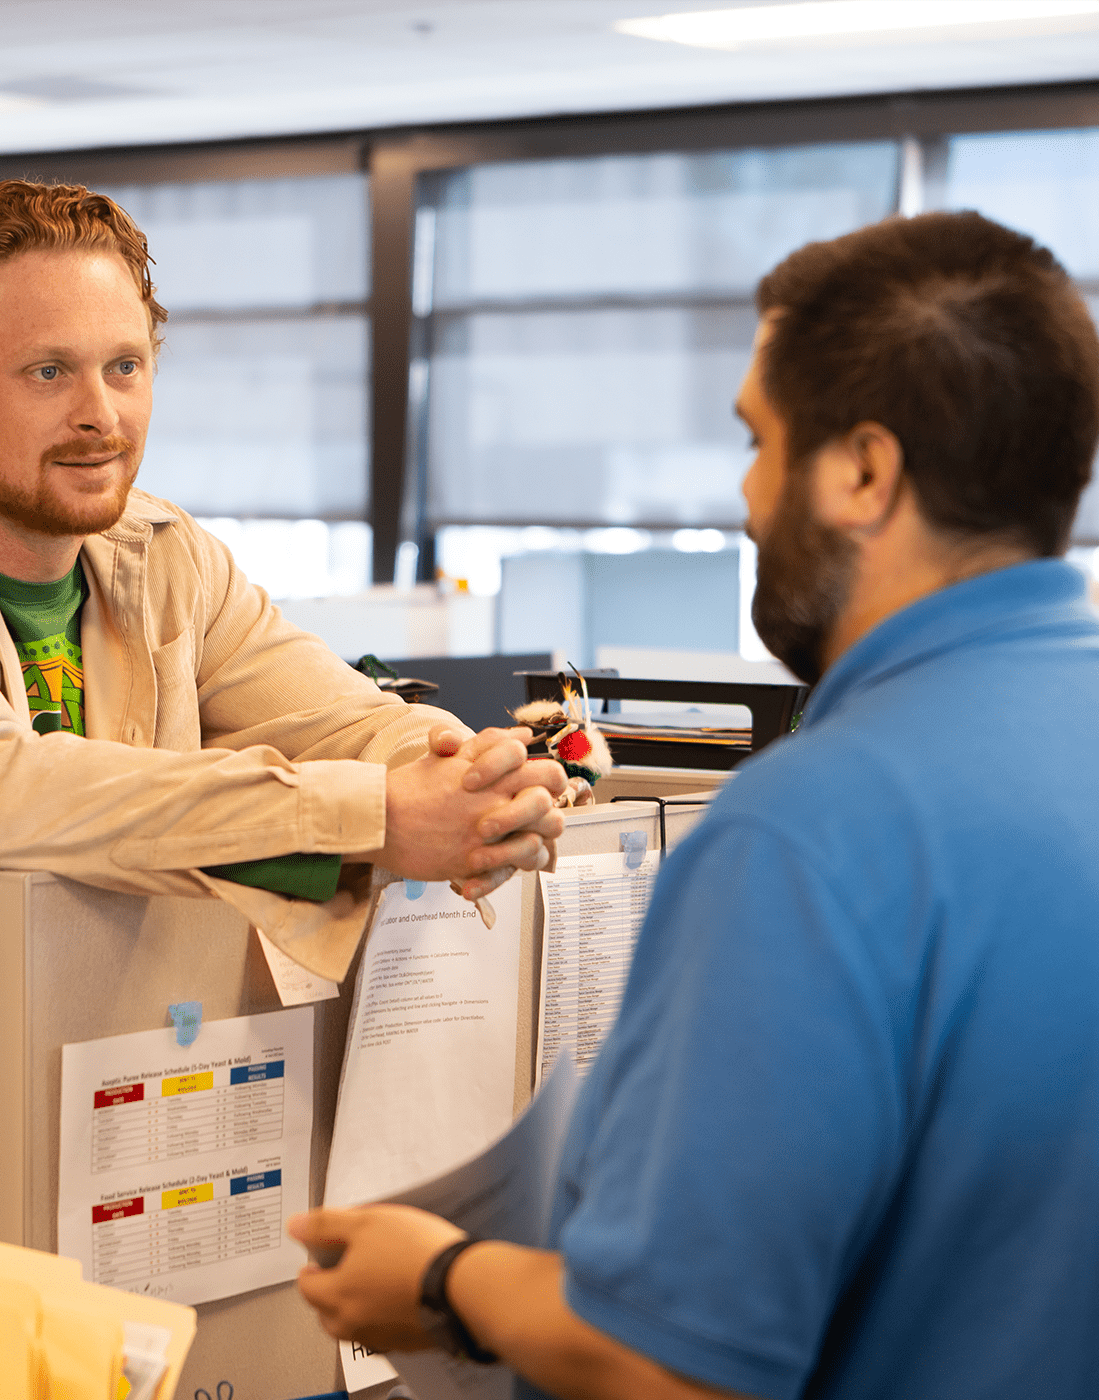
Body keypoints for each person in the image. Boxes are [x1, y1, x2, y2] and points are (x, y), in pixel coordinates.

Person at [290, 209, 1099, 1396]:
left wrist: (441, 1280)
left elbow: (664, 1358)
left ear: (861, 470)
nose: (744, 493)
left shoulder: (813, 830)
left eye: (757, 440)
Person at [0, 180, 566, 973]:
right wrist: (372, 816)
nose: (99, 414)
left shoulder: (164, 555)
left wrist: (473, 779)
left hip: (76, 1086)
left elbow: (339, 719)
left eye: (124, 367)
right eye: (49, 372)